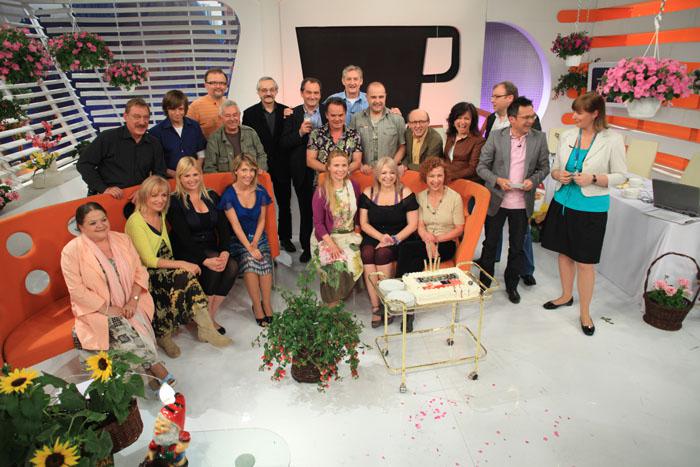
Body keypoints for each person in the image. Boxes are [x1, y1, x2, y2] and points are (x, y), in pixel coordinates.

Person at [60, 202, 174, 387]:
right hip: (95, 307)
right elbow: (76, 290)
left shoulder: (122, 239)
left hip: (132, 299)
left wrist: (133, 300)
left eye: (103, 220)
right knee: (120, 327)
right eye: (93, 223)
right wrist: (106, 308)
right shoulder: (71, 251)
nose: (100, 225)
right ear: (80, 227)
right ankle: (157, 368)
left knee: (128, 321)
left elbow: (140, 271)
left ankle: (152, 373)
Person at [541, 92, 627, 336]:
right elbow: (556, 168)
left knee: (585, 263)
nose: (574, 117)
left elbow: (621, 175)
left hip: (591, 209)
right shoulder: (568, 135)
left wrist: (594, 178)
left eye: (579, 113)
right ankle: (566, 296)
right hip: (563, 203)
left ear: (595, 114)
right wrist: (558, 175)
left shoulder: (613, 139)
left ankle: (585, 313)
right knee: (564, 254)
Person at [125, 175, 231, 358]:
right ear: (144, 196)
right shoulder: (135, 221)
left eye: (163, 195)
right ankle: (166, 334)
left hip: (168, 264)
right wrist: (183, 264)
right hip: (147, 272)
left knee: (186, 275)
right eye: (154, 195)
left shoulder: (160, 213)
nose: (160, 200)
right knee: (184, 276)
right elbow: (149, 260)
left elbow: (180, 199)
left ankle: (204, 328)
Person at [476, 97, 550, 304]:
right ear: (512, 119)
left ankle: (512, 285)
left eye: (532, 116)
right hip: (497, 200)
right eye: (525, 117)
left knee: (517, 247)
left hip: (521, 203)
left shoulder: (539, 138)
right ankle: (484, 283)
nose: (530, 121)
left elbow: (545, 167)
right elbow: (481, 167)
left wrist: (532, 180)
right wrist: (497, 180)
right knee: (490, 244)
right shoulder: (495, 137)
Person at [167, 157, 238, 334]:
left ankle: (208, 317)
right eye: (186, 176)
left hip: (210, 246)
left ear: (201, 175)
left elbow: (223, 229)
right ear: (179, 178)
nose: (192, 179)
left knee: (232, 266)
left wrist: (225, 251)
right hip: (187, 249)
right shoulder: (174, 201)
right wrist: (204, 260)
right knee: (214, 266)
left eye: (195, 174)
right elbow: (184, 238)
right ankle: (205, 322)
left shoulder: (212, 196)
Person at [395, 157, 465, 332]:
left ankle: (398, 296)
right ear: (425, 177)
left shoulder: (454, 198)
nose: (435, 180)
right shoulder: (420, 197)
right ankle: (409, 308)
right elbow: (420, 225)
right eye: (431, 176)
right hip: (424, 240)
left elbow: (459, 229)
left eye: (439, 176)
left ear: (445, 176)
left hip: (446, 242)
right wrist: (427, 238)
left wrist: (436, 240)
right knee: (412, 257)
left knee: (406, 249)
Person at [359, 157, 418, 327]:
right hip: (374, 234)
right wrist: (381, 237)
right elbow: (364, 223)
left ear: (397, 175)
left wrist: (393, 239)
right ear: (377, 175)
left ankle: (388, 304)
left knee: (382, 254)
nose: (388, 176)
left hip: (399, 237)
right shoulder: (368, 193)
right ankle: (375, 306)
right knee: (367, 253)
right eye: (383, 173)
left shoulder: (405, 193)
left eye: (392, 172)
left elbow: (413, 225)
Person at [218, 154, 275, 326]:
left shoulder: (260, 191)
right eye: (244, 170)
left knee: (264, 262)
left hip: (258, 236)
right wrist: (250, 248)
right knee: (251, 262)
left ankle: (267, 303)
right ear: (236, 171)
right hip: (238, 239)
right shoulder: (229, 195)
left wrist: (256, 242)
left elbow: (262, 221)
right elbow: (235, 226)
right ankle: (256, 306)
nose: (248, 174)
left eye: (251, 170)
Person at [242, 76, 296, 253]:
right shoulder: (249, 114)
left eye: (271, 89)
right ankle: (260, 238)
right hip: (258, 167)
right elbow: (246, 141)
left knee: (284, 204)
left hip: (283, 165)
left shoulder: (287, 111)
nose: (268, 93)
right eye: (264, 90)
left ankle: (285, 238)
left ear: (276, 91)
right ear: (258, 92)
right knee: (258, 204)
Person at [77, 98, 166, 198]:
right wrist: (104, 189)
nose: (142, 122)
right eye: (137, 117)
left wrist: (146, 190)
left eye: (146, 117)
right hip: (109, 198)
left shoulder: (154, 143)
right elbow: (84, 164)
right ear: (125, 117)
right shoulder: (107, 138)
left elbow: (160, 174)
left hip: (140, 197)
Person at [281, 77, 327, 263]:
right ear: (302, 93)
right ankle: (307, 248)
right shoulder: (292, 114)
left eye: (316, 93)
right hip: (303, 171)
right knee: (307, 211)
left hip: (326, 171)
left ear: (320, 95)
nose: (312, 96)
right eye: (308, 92)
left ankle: (326, 249)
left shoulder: (328, 111)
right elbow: (284, 143)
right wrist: (300, 132)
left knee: (327, 212)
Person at [311, 150, 363, 305]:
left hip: (349, 237)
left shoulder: (354, 186)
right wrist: (332, 245)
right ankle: (331, 308)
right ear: (328, 167)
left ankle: (337, 303)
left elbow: (358, 214)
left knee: (350, 264)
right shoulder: (321, 192)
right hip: (327, 238)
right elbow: (318, 224)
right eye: (336, 165)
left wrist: (358, 231)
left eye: (344, 165)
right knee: (335, 268)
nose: (340, 169)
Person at [349, 81, 406, 175]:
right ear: (366, 97)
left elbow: (402, 146)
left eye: (381, 97)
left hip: (388, 175)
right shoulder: (356, 119)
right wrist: (360, 165)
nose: (377, 101)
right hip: (364, 173)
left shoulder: (397, 119)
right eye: (373, 97)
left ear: (385, 97)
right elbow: (351, 146)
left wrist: (391, 165)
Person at [149, 90, 207, 177]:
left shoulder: (194, 126)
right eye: (173, 109)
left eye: (180, 109)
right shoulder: (155, 132)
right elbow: (157, 163)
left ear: (185, 109)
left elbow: (201, 152)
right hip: (170, 179)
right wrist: (177, 175)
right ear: (166, 109)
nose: (177, 113)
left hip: (194, 177)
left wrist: (195, 172)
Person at [203, 100, 267, 173]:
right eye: (228, 116)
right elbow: (209, 168)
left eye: (235, 115)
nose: (232, 119)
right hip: (226, 180)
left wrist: (259, 170)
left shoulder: (251, 133)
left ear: (239, 115)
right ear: (221, 118)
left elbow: (261, 155)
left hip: (251, 178)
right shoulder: (214, 139)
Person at [307, 97, 362, 174]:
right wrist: (330, 170)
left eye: (340, 115)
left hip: (346, 179)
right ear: (326, 115)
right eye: (333, 115)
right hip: (323, 179)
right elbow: (310, 160)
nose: (337, 119)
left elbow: (357, 161)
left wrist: (342, 172)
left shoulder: (354, 135)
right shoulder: (316, 134)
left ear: (345, 114)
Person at [444, 102, 485, 183]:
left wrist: (450, 176)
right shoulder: (451, 136)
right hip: (448, 181)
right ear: (453, 120)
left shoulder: (479, 141)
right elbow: (446, 160)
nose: (462, 122)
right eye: (459, 118)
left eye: (466, 118)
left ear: (472, 121)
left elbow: (473, 169)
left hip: (466, 183)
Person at [187, 68, 228, 139]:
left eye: (222, 83)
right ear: (205, 85)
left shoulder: (230, 105)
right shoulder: (195, 107)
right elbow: (188, 135)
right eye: (213, 83)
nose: (218, 86)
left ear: (226, 86)